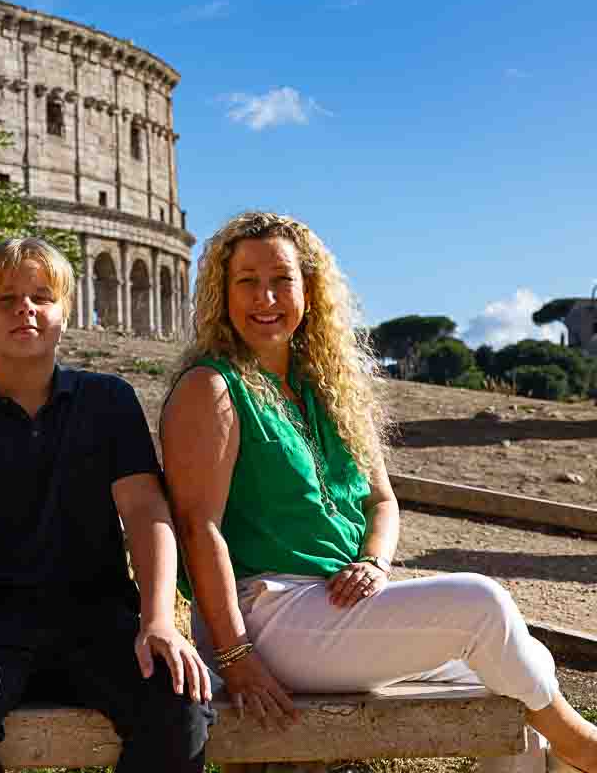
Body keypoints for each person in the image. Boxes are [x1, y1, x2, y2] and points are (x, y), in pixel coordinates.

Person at [161, 211, 597, 773]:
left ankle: (567, 752)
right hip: (264, 616)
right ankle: (584, 746)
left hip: (338, 610)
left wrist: (374, 561)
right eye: (246, 280)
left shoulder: (328, 387)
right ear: (222, 294)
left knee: (521, 666)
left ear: (309, 291)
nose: (264, 296)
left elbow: (382, 502)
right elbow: (201, 530)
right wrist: (238, 658)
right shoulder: (211, 387)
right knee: (482, 605)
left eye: (282, 279)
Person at [0, 237, 215, 773]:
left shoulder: (107, 400)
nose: (25, 308)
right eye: (6, 299)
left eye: (42, 296)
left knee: (181, 710)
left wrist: (159, 619)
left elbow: (144, 512)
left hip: (98, 619)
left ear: (65, 311)